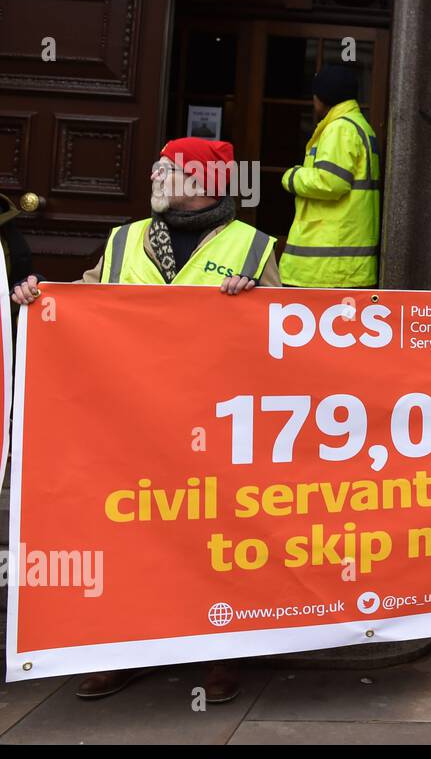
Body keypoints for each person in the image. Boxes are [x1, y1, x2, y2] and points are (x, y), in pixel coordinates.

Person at [12, 137, 279, 701]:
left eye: (170, 170)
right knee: (128, 537)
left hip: (215, 424)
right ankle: (121, 651)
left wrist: (254, 299)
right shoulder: (123, 239)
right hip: (131, 422)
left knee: (217, 539)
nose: (156, 177)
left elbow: (286, 332)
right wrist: (40, 299)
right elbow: (85, 302)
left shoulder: (252, 247)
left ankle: (220, 655)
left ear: (205, 183)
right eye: (157, 168)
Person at [279, 64, 380, 288]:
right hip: (341, 262)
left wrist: (292, 176)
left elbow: (331, 182)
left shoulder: (340, 129)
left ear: (321, 97)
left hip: (326, 266)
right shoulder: (359, 125)